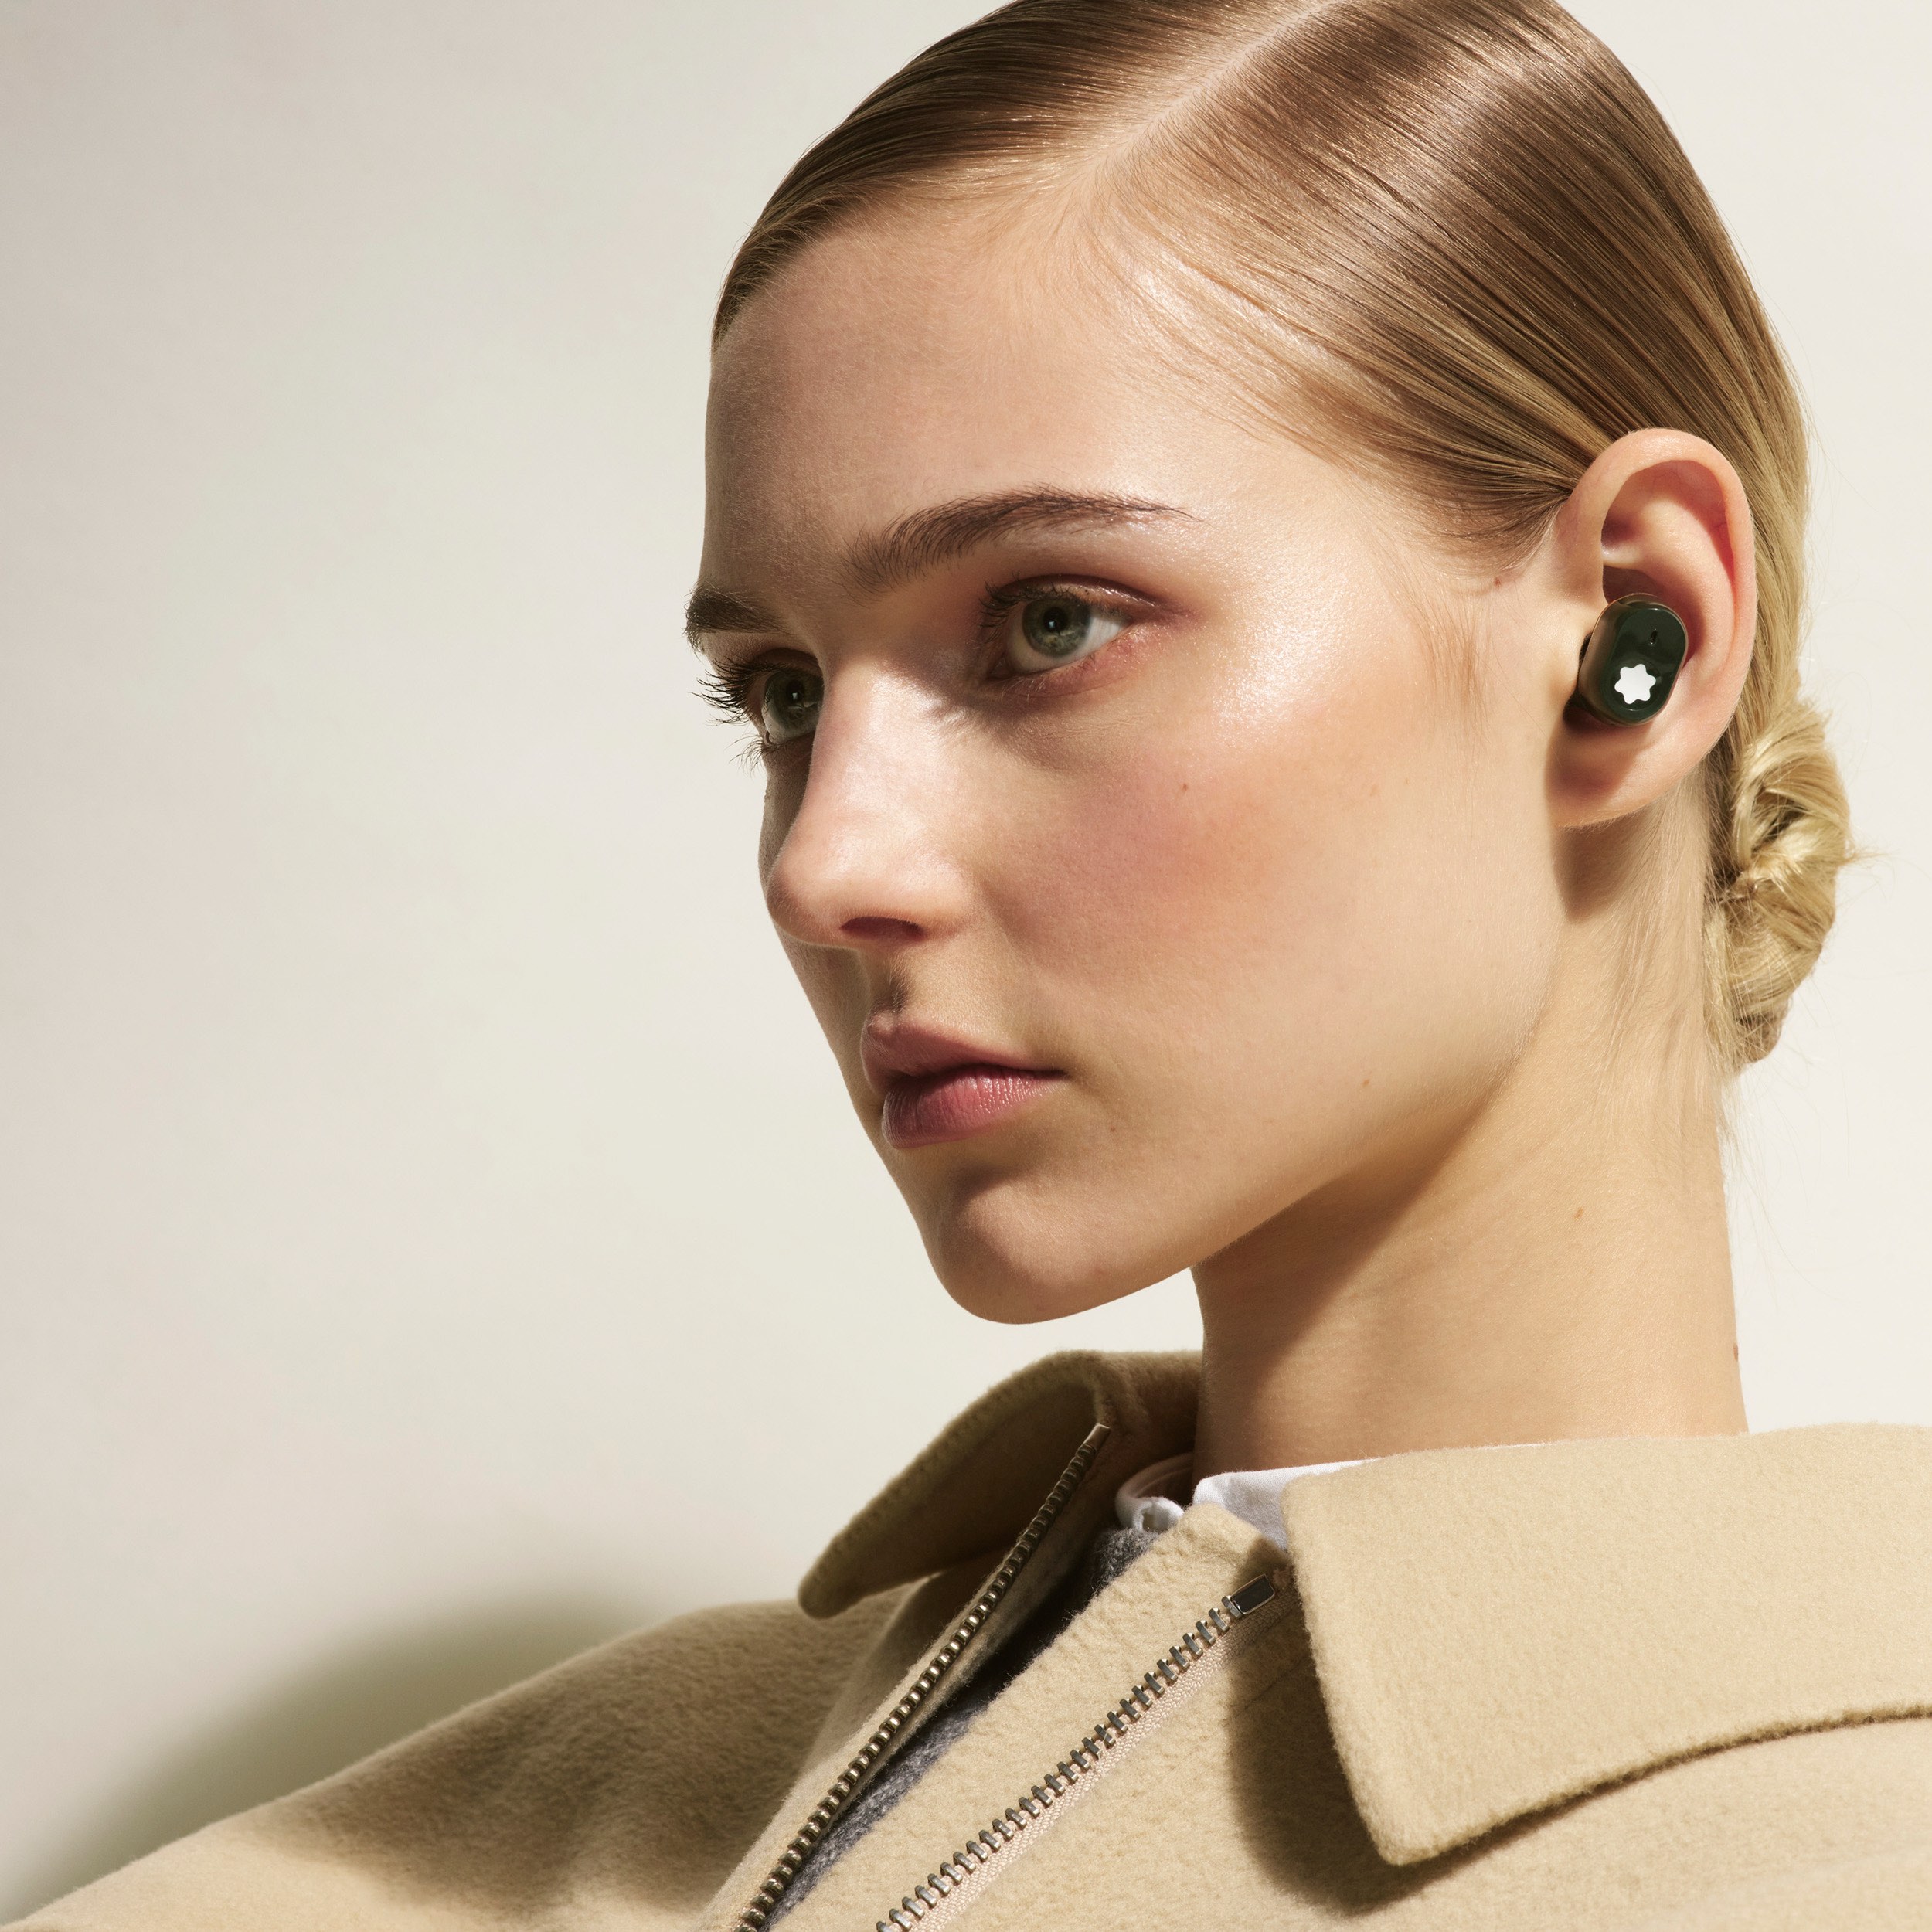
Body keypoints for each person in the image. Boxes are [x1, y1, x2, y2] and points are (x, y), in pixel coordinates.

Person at [19, 1, 1932, 1927]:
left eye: (1046, 622)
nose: (820, 864)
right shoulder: (552, 1822)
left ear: (1628, 642)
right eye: (779, 692)